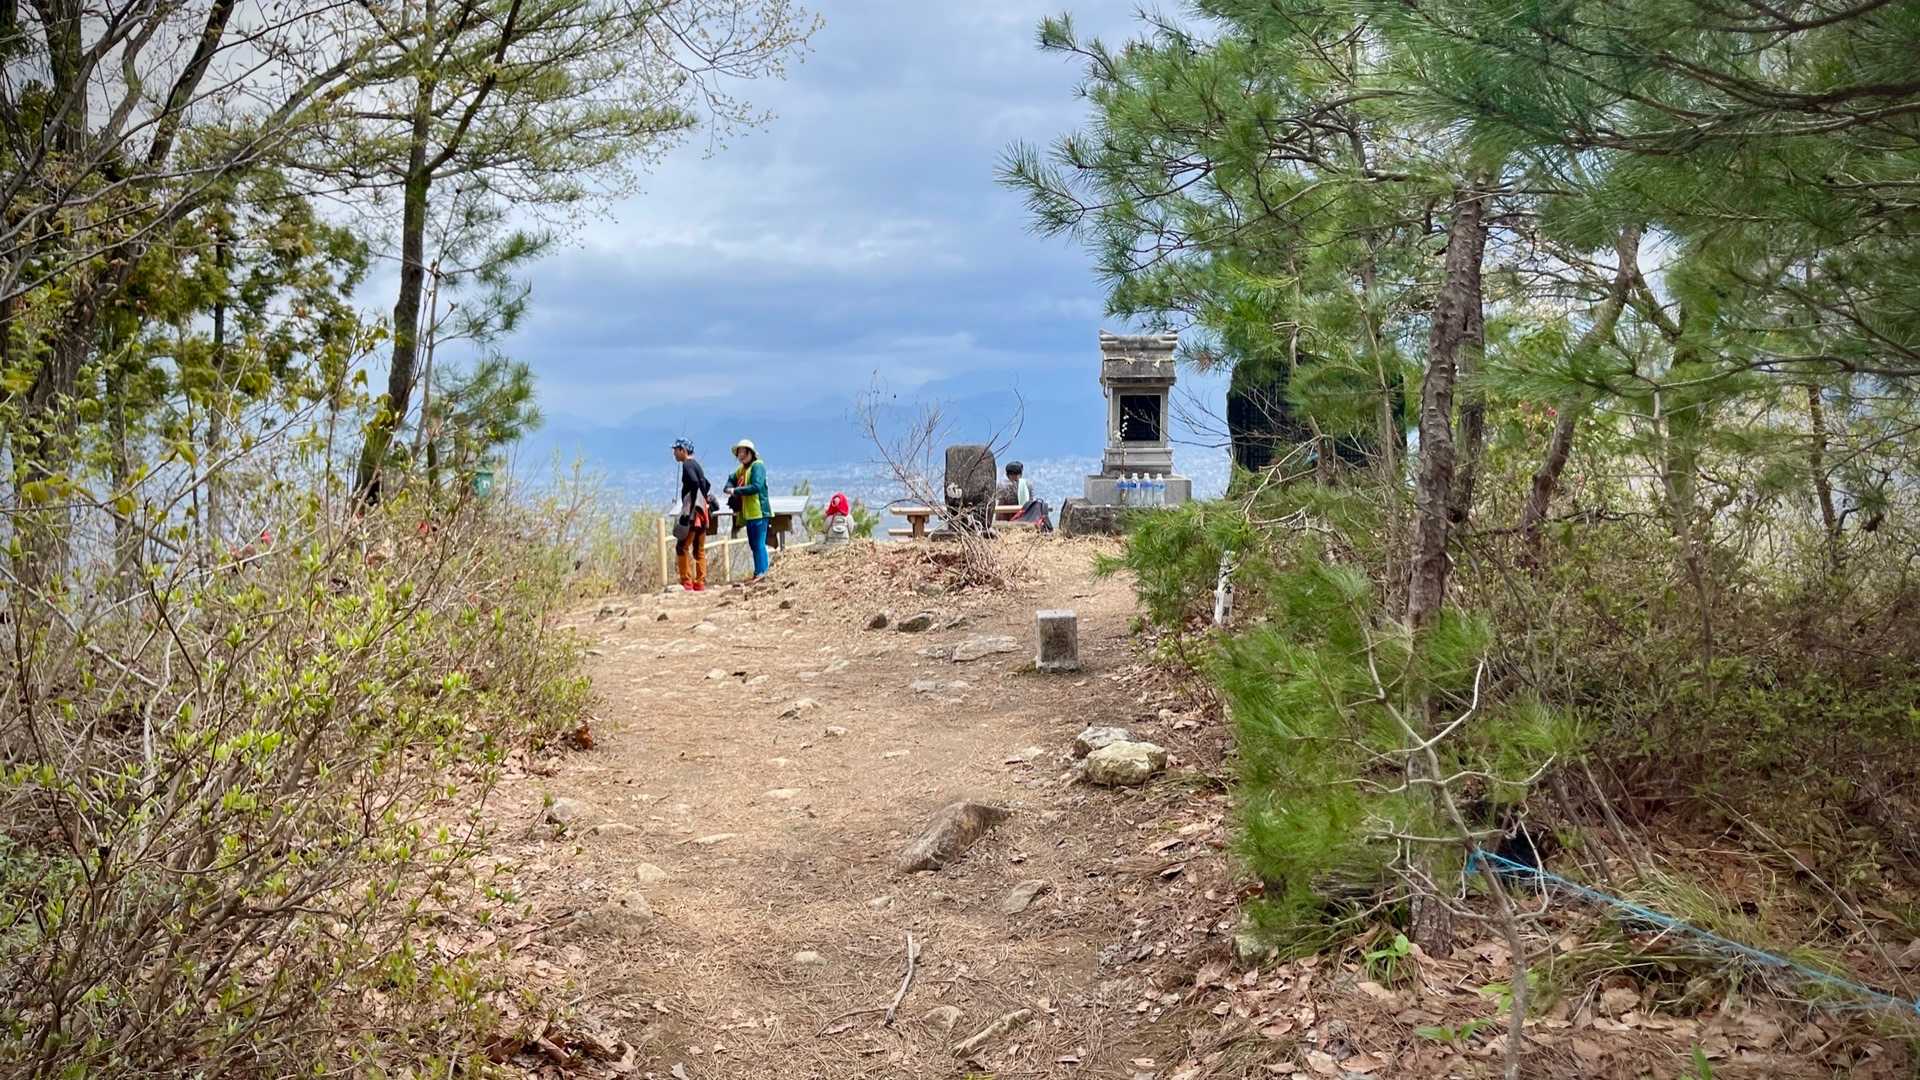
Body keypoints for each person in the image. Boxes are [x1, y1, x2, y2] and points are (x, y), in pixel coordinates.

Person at [725, 438, 771, 582]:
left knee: (759, 544)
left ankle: (763, 573)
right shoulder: (743, 469)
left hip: (759, 512)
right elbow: (731, 478)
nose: (741, 455)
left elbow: (756, 486)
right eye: (739, 453)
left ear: (750, 453)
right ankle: (758, 572)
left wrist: (735, 491)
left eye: (743, 452)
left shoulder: (758, 466)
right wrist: (729, 487)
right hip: (749, 514)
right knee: (753, 544)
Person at [672, 438, 715, 590]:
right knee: (699, 549)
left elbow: (695, 482)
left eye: (676, 450)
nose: (674, 453)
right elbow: (706, 484)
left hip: (692, 514)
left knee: (682, 547)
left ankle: (687, 581)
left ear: (683, 450)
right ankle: (700, 582)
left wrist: (690, 507)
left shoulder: (687, 465)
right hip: (702, 512)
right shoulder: (696, 465)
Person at [1002, 460, 1053, 532]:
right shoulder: (1028, 485)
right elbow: (1031, 503)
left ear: (1007, 475)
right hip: (1026, 519)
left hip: (1007, 523)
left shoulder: (1002, 486)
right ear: (1021, 474)